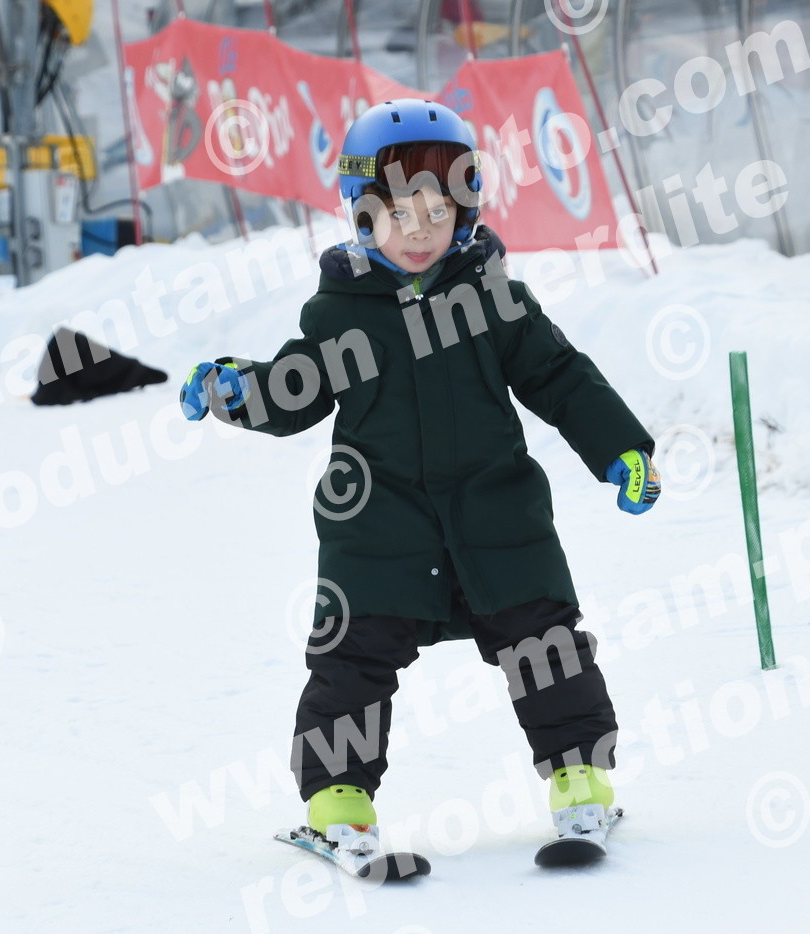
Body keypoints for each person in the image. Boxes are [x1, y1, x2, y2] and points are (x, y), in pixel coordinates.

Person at [179, 98, 662, 859]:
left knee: (547, 644)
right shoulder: (340, 315)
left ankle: (581, 780)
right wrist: (236, 388)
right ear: (361, 214)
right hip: (379, 526)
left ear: (466, 211)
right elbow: (294, 390)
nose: (419, 230)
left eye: (439, 211)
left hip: (498, 518)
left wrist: (620, 450)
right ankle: (339, 799)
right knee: (351, 660)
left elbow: (561, 377)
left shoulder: (493, 301)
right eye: (398, 213)